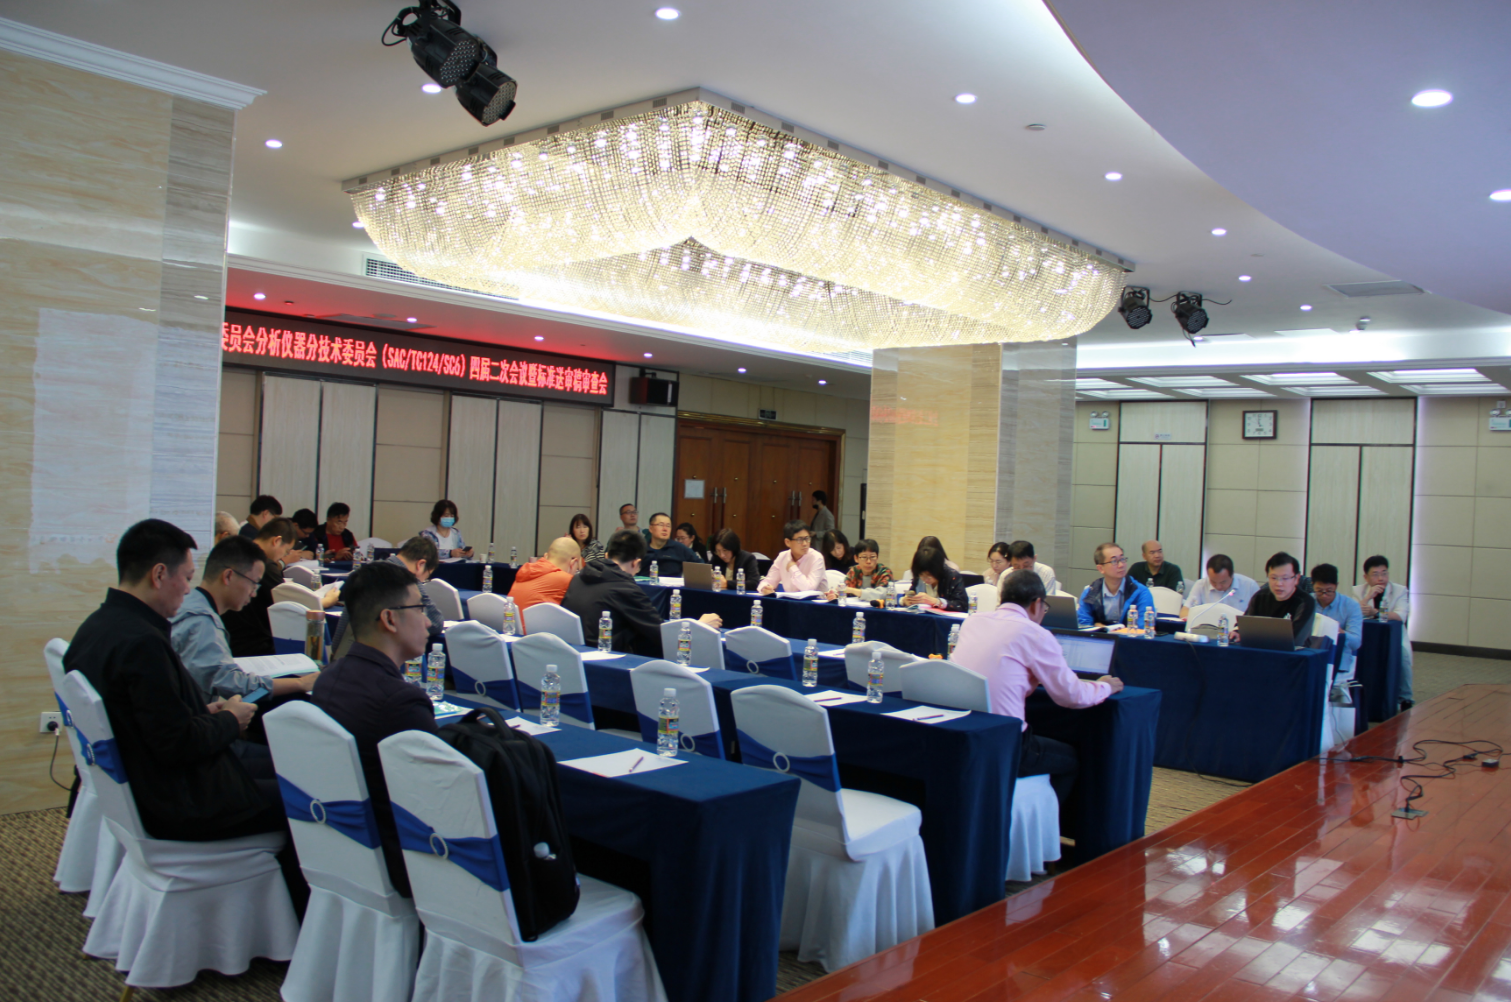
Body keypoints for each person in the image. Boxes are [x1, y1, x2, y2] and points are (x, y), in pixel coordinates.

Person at [63, 519, 284, 844]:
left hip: (146, 784)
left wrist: (202, 713)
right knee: (306, 799)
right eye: (187, 578)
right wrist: (230, 720)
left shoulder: (95, 627)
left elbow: (144, 719)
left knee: (287, 774)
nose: (188, 589)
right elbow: (178, 744)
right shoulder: (143, 644)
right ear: (159, 574)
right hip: (177, 800)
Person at [311, 560, 437, 898]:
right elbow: (436, 803)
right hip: (400, 863)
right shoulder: (401, 703)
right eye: (419, 609)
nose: (428, 621)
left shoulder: (328, 678)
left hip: (342, 847)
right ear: (390, 619)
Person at [951, 569, 1122, 803]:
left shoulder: (973, 621)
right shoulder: (1035, 633)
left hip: (963, 730)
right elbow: (1071, 696)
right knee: (1071, 760)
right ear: (1036, 604)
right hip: (1006, 742)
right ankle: (1044, 818)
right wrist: (1105, 687)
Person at [171, 535, 316, 702]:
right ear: (228, 576)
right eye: (254, 583)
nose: (254, 593)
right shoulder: (203, 622)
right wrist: (300, 683)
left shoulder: (186, 603)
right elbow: (230, 684)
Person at [563, 529, 721, 657]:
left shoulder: (578, 578)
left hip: (573, 654)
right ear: (636, 563)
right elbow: (661, 634)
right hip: (607, 660)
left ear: (607, 555)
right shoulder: (625, 588)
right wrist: (700, 626)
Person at [330, 535, 443, 661]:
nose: (423, 581)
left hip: (343, 659)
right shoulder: (406, 580)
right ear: (421, 564)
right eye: (426, 577)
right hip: (373, 664)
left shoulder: (367, 572)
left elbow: (339, 635)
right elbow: (435, 622)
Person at [222, 517, 296, 657]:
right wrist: (325, 601)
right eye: (286, 551)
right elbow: (290, 604)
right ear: (276, 541)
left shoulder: (235, 554)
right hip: (254, 645)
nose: (283, 556)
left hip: (229, 639)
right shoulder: (264, 566)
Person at [1356, 554, 1413, 709]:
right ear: (1366, 577)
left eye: (1384, 573)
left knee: (1403, 654)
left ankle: (1405, 697)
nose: (1381, 578)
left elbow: (1401, 616)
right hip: (1366, 635)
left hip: (1394, 635)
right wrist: (1368, 597)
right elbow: (1353, 613)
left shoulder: (1399, 590)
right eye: (1375, 574)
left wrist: (1375, 612)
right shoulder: (1358, 591)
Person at [1237, 552, 1316, 644]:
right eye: (1274, 578)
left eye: (1285, 578)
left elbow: (1295, 639)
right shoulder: (1260, 596)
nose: (1279, 584)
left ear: (1296, 578)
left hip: (1294, 652)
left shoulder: (1305, 602)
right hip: (1259, 648)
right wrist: (1237, 632)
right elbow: (1246, 624)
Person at [1076, 542, 1155, 628]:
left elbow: (1142, 627)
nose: (1121, 565)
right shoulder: (1090, 592)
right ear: (1101, 568)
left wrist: (1101, 627)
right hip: (1098, 637)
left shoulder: (1140, 592)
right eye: (1114, 561)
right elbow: (1083, 625)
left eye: (1122, 559)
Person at [1311, 563, 1363, 687]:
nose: (1324, 595)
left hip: (1338, 661)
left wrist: (1338, 632)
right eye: (1319, 590)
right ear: (1312, 585)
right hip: (1310, 657)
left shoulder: (1351, 606)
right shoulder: (1307, 602)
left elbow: (1356, 642)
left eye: (1329, 590)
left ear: (1336, 585)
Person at [508, 537, 583, 611]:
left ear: (546, 556)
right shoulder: (566, 580)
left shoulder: (526, 571)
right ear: (574, 562)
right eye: (576, 568)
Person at [757, 520, 828, 594]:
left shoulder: (816, 558)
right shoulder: (783, 557)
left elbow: (809, 589)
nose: (805, 543)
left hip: (815, 601)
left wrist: (793, 568)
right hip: (790, 600)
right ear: (787, 542)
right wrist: (765, 588)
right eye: (800, 540)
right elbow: (768, 581)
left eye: (807, 539)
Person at [1181, 554, 1260, 618]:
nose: (1218, 587)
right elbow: (1185, 611)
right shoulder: (1201, 585)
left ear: (1232, 574)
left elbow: (1260, 616)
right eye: (1213, 582)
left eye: (1223, 582)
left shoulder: (1250, 586)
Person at [904, 546, 969, 610]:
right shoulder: (918, 578)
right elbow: (911, 593)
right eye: (921, 575)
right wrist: (905, 600)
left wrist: (937, 602)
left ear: (938, 569)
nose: (925, 579)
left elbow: (962, 605)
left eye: (929, 575)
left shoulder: (952, 577)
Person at [643, 512, 704, 577]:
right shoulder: (641, 549)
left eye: (668, 526)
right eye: (661, 525)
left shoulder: (679, 548)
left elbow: (702, 566)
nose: (665, 529)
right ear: (651, 528)